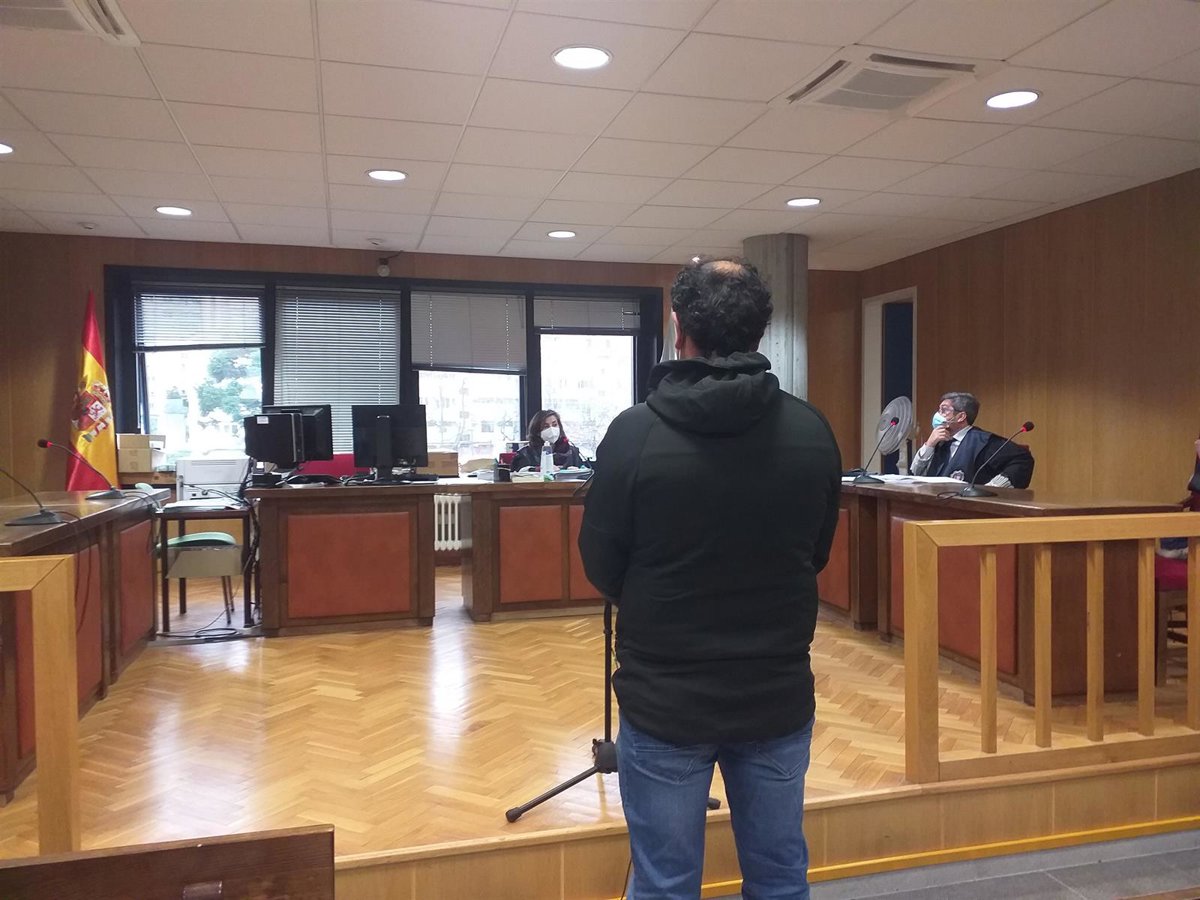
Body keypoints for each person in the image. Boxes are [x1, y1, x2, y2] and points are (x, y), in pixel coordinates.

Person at [579, 256, 841, 900]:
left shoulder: (633, 433)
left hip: (666, 698)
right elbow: (816, 553)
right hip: (774, 692)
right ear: (760, 331)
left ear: (679, 329)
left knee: (665, 884)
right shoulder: (811, 430)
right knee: (780, 877)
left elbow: (601, 565)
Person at [909, 391, 1034, 488]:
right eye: (939, 410)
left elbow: (1023, 459)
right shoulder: (939, 440)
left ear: (961, 417)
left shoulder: (983, 441)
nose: (938, 415)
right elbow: (916, 472)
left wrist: (995, 486)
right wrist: (929, 444)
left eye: (944, 410)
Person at [510, 409, 584, 471]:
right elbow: (516, 475)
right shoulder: (525, 454)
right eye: (546, 426)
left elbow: (585, 472)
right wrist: (538, 469)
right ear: (537, 431)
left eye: (554, 425)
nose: (551, 429)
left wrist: (578, 470)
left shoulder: (572, 452)